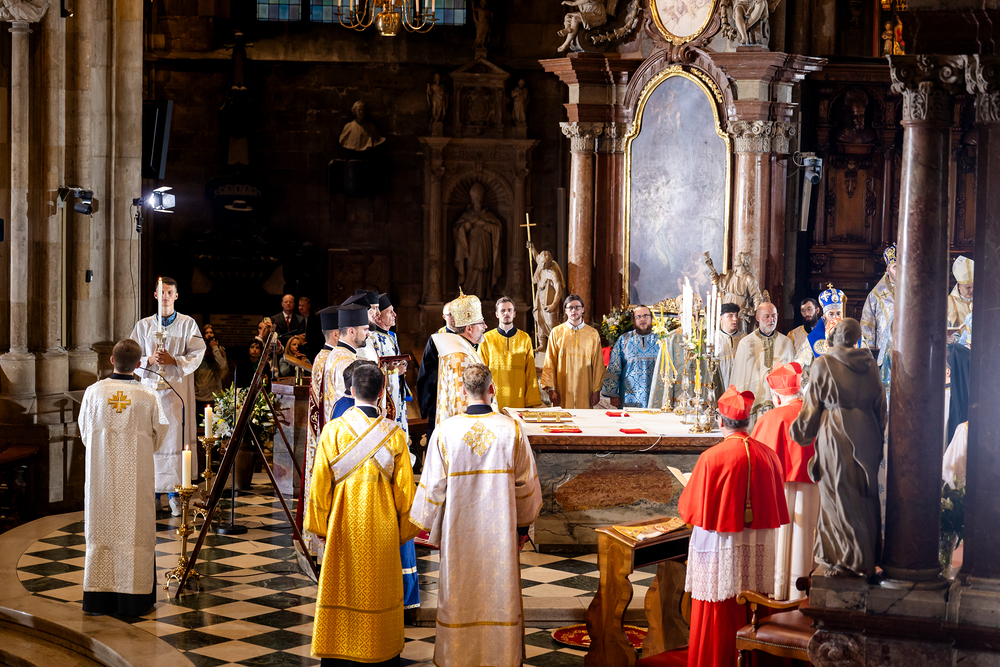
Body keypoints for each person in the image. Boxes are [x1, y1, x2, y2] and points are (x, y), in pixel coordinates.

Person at [410, 364, 542, 667]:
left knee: (459, 591)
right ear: (492, 389)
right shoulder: (511, 430)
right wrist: (522, 528)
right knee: (500, 591)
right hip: (501, 534)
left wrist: (422, 525)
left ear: (463, 391)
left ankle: (458, 657)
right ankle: (501, 657)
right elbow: (526, 486)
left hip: (459, 533)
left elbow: (432, 489)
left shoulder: (446, 431)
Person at [305, 363, 417, 666]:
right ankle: (381, 651)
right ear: (382, 392)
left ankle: (340, 651)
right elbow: (405, 493)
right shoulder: (394, 435)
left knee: (342, 587)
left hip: (343, 526)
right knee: (379, 590)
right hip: (383, 529)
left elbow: (319, 485)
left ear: (351, 390)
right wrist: (404, 531)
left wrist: (319, 526)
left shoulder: (333, 431)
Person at [678, 384, 788, 667]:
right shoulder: (769, 455)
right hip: (756, 545)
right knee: (754, 602)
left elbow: (688, 510)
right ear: (748, 421)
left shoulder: (711, 457)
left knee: (717, 607)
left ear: (720, 421)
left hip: (720, 546)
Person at [790, 318, 886, 578]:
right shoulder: (870, 365)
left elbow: (812, 405)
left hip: (836, 432)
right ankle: (866, 558)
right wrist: (877, 437)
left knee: (837, 494)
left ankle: (844, 559)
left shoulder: (823, 363)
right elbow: (881, 405)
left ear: (834, 337)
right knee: (864, 494)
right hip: (867, 432)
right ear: (855, 338)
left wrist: (799, 431)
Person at [79, 339, 166, 616]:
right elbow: (160, 434)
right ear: (139, 364)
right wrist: (140, 450)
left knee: (101, 528)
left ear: (111, 360)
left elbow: (85, 433)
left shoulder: (93, 393)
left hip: (101, 476)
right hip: (137, 478)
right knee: (136, 531)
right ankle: (134, 600)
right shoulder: (148, 395)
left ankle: (99, 601)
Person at [129, 277, 206, 516]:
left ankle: (174, 495)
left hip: (176, 394)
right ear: (155, 295)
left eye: (169, 292)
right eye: (161, 292)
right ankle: (153, 494)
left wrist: (175, 361)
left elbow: (198, 352)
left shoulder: (187, 324)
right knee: (151, 440)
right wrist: (149, 360)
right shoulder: (143, 326)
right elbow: (131, 358)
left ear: (176, 296)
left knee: (174, 440)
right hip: (150, 392)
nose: (165, 296)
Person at [750, 362, 816, 602]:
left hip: (779, 490)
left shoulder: (771, 418)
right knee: (805, 537)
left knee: (782, 540)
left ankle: (778, 591)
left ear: (776, 396)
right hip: (813, 489)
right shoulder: (817, 415)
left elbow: (755, 461)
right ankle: (805, 592)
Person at [301, 305, 341, 562]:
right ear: (336, 334)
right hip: (326, 431)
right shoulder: (330, 360)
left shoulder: (320, 357)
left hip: (318, 431)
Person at [428, 291, 492, 430]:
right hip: (465, 429)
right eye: (481, 323)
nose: (485, 327)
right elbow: (461, 400)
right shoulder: (459, 355)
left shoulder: (463, 347)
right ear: (469, 328)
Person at [730, 301, 795, 425]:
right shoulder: (746, 343)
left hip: (780, 403)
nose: (771, 320)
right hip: (754, 404)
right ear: (758, 318)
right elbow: (739, 379)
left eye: (774, 316)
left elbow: (791, 377)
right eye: (767, 316)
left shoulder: (786, 343)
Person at [358, 293, 410, 437]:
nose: (394, 314)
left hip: (396, 389)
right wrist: (395, 371)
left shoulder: (392, 335)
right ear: (379, 318)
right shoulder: (373, 338)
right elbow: (376, 368)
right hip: (386, 392)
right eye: (389, 312)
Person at [540, 294, 605, 409]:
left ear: (583, 309)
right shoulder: (556, 332)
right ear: (565, 311)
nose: (573, 310)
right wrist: (552, 389)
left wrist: (596, 390)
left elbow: (598, 364)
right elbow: (550, 362)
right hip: (561, 390)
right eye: (570, 307)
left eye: (577, 307)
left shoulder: (592, 334)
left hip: (585, 389)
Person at [478, 297, 542, 411]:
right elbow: (481, 371)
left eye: (509, 310)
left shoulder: (525, 338)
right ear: (497, 314)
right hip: (494, 398)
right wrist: (481, 398)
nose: (506, 313)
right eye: (502, 311)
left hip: (518, 397)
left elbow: (530, 372)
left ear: (514, 314)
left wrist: (530, 400)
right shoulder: (486, 339)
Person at [602, 305, 660, 408]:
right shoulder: (624, 340)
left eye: (645, 316)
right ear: (634, 320)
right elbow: (614, 367)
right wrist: (613, 394)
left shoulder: (661, 340)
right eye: (638, 317)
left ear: (651, 318)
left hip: (656, 396)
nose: (642, 319)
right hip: (629, 396)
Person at [861, 244, 897, 390]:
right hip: (884, 352)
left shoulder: (916, 291)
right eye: (895, 267)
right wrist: (871, 354)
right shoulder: (875, 295)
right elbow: (867, 326)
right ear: (887, 270)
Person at [416, 300, 456, 429]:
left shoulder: (466, 336)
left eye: (456, 313)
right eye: (450, 314)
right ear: (444, 317)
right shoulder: (437, 338)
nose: (454, 317)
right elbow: (427, 368)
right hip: (442, 392)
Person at [194, 324, 229, 417]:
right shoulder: (199, 351)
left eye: (211, 332)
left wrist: (215, 348)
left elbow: (223, 366)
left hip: (215, 396)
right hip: (200, 396)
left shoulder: (219, 350)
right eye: (206, 333)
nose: (209, 335)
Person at [715, 302, 745, 389]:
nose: (735, 319)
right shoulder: (714, 339)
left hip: (740, 384)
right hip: (721, 384)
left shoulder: (744, 339)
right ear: (721, 319)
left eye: (736, 315)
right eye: (730, 316)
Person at [947, 255, 974, 329]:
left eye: (974, 287)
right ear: (959, 286)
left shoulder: (981, 300)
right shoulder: (949, 302)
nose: (972, 290)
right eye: (968, 287)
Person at [299, 296, 325, 362]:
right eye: (299, 305)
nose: (301, 308)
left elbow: (319, 337)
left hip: (312, 350)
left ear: (308, 306)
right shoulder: (296, 319)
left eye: (303, 306)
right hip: (299, 349)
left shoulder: (316, 319)